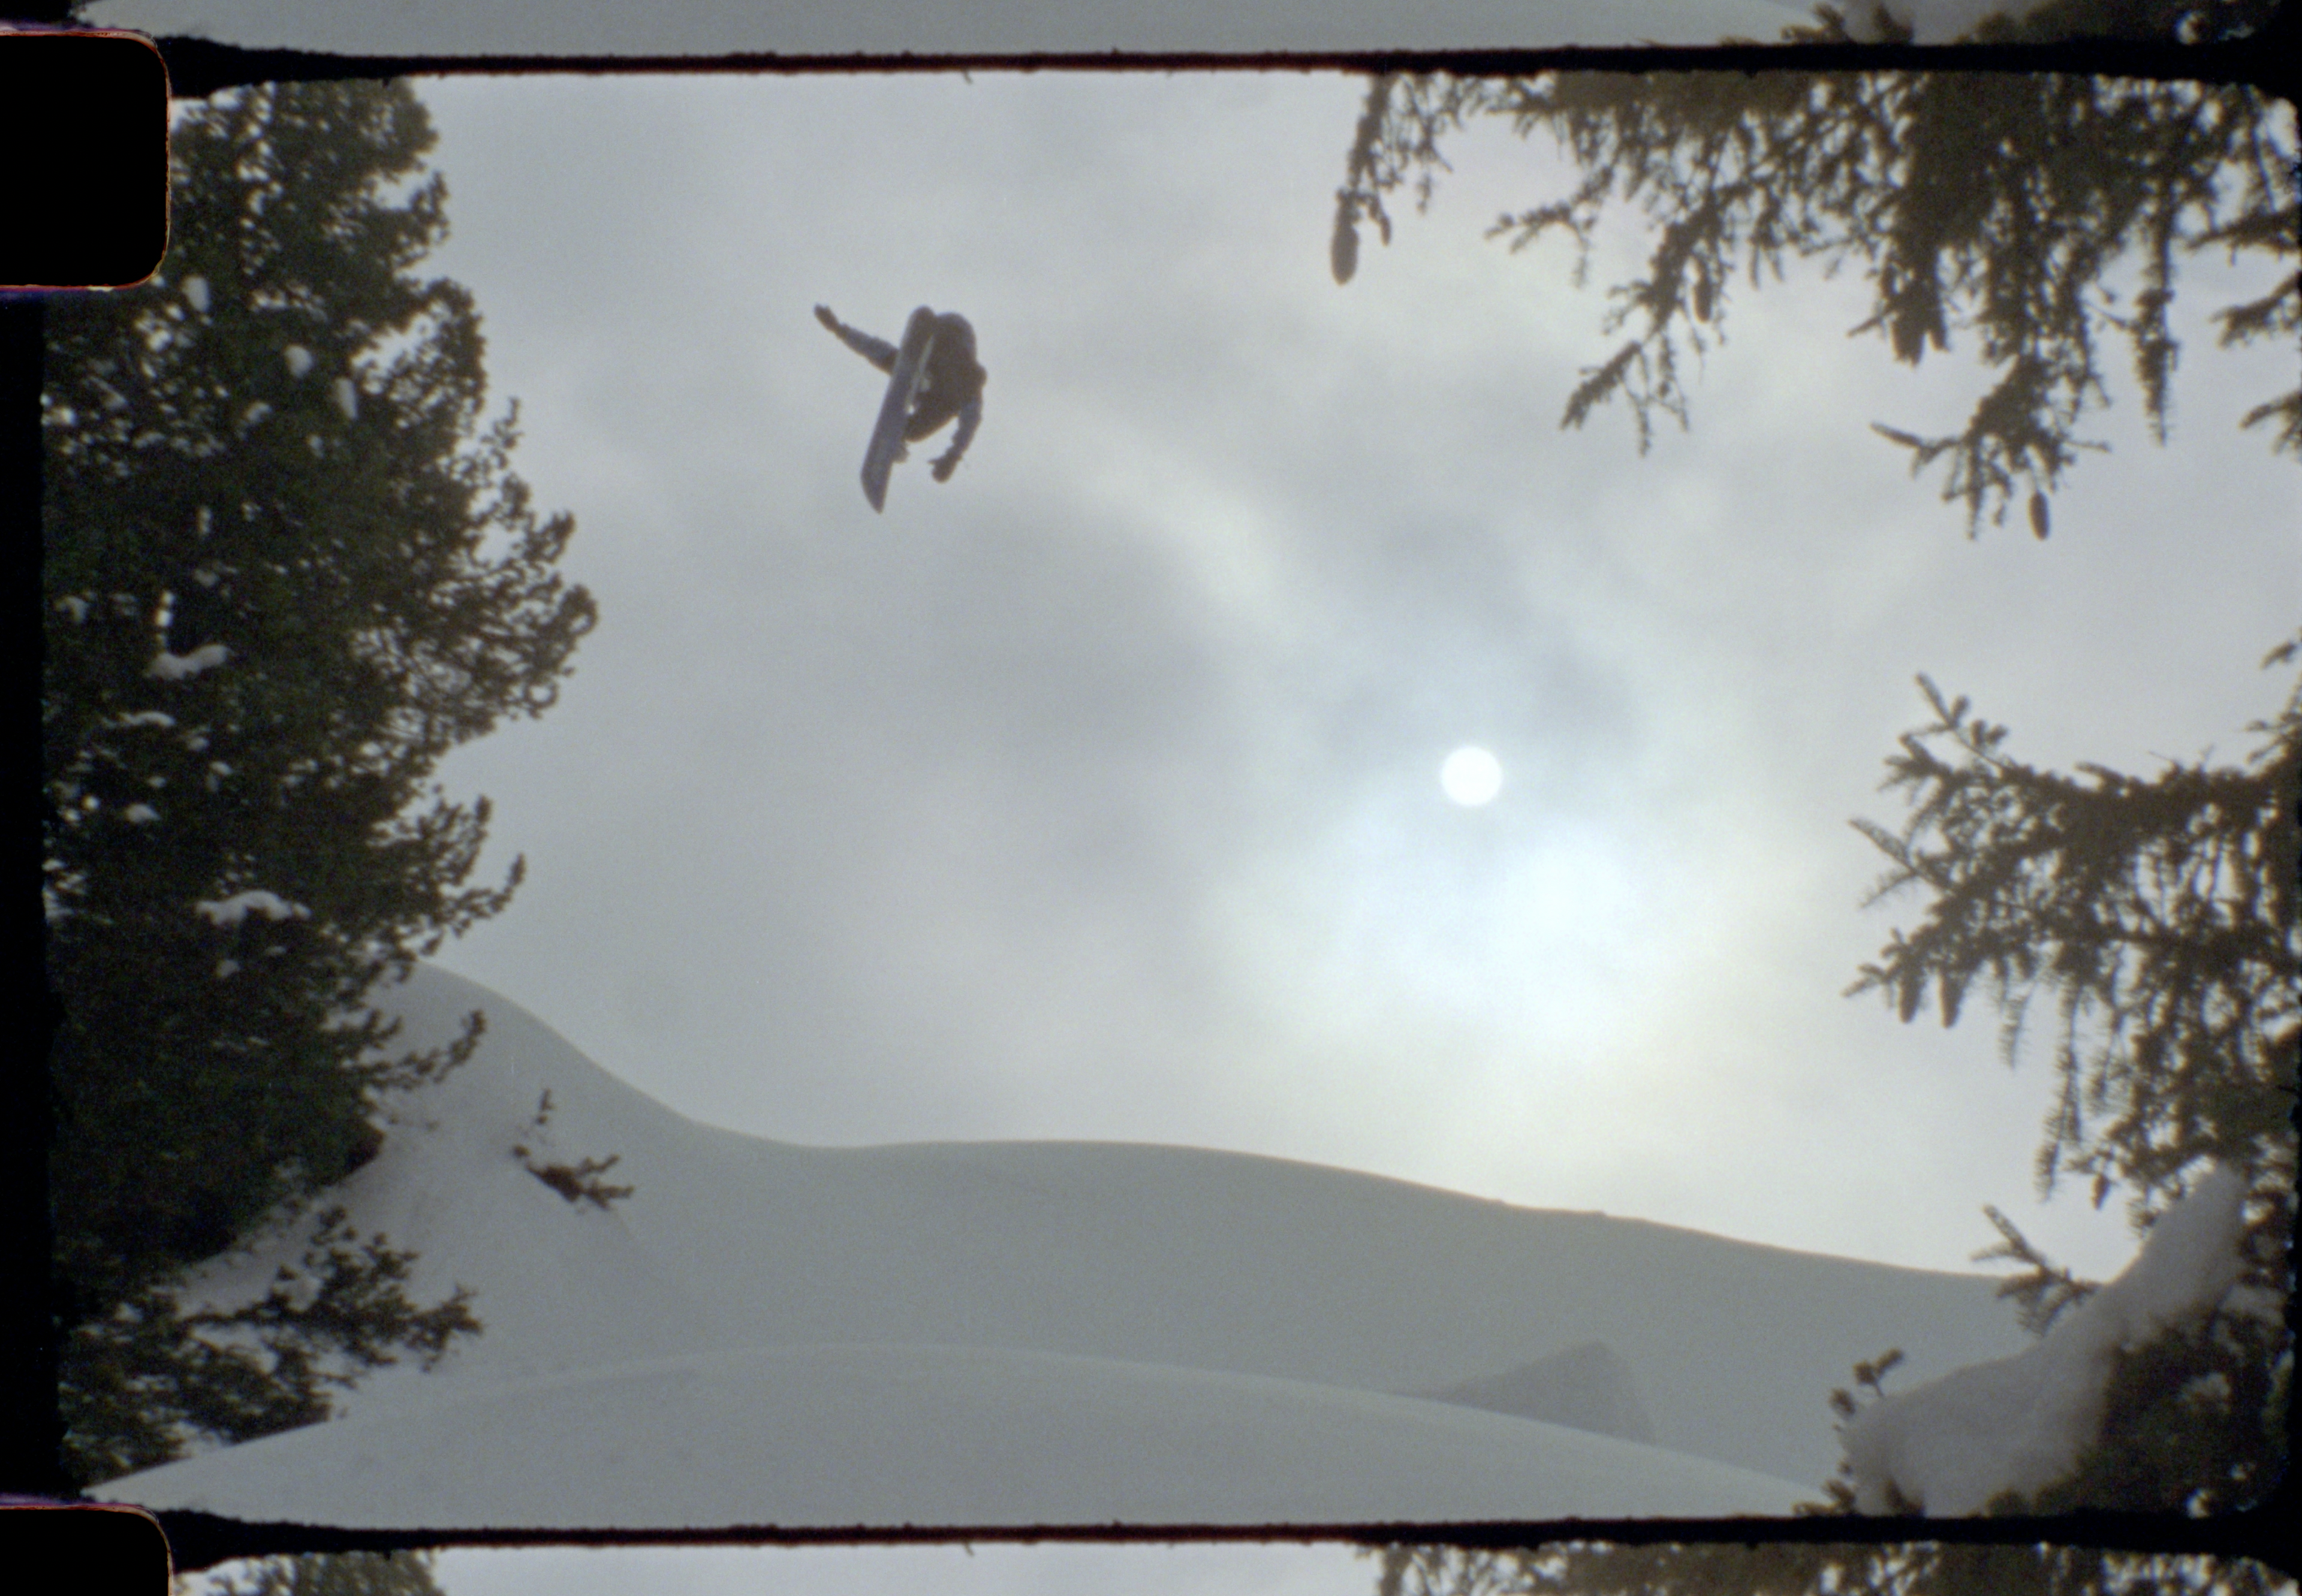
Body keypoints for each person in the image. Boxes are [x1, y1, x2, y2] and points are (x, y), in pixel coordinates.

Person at [815, 303, 986, 481]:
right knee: (925, 420)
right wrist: (952, 456)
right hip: (951, 340)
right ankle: (905, 430)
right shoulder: (964, 393)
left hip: (944, 338)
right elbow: (970, 422)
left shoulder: (956, 392)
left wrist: (840, 330)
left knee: (916, 426)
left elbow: (875, 349)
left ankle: (903, 432)